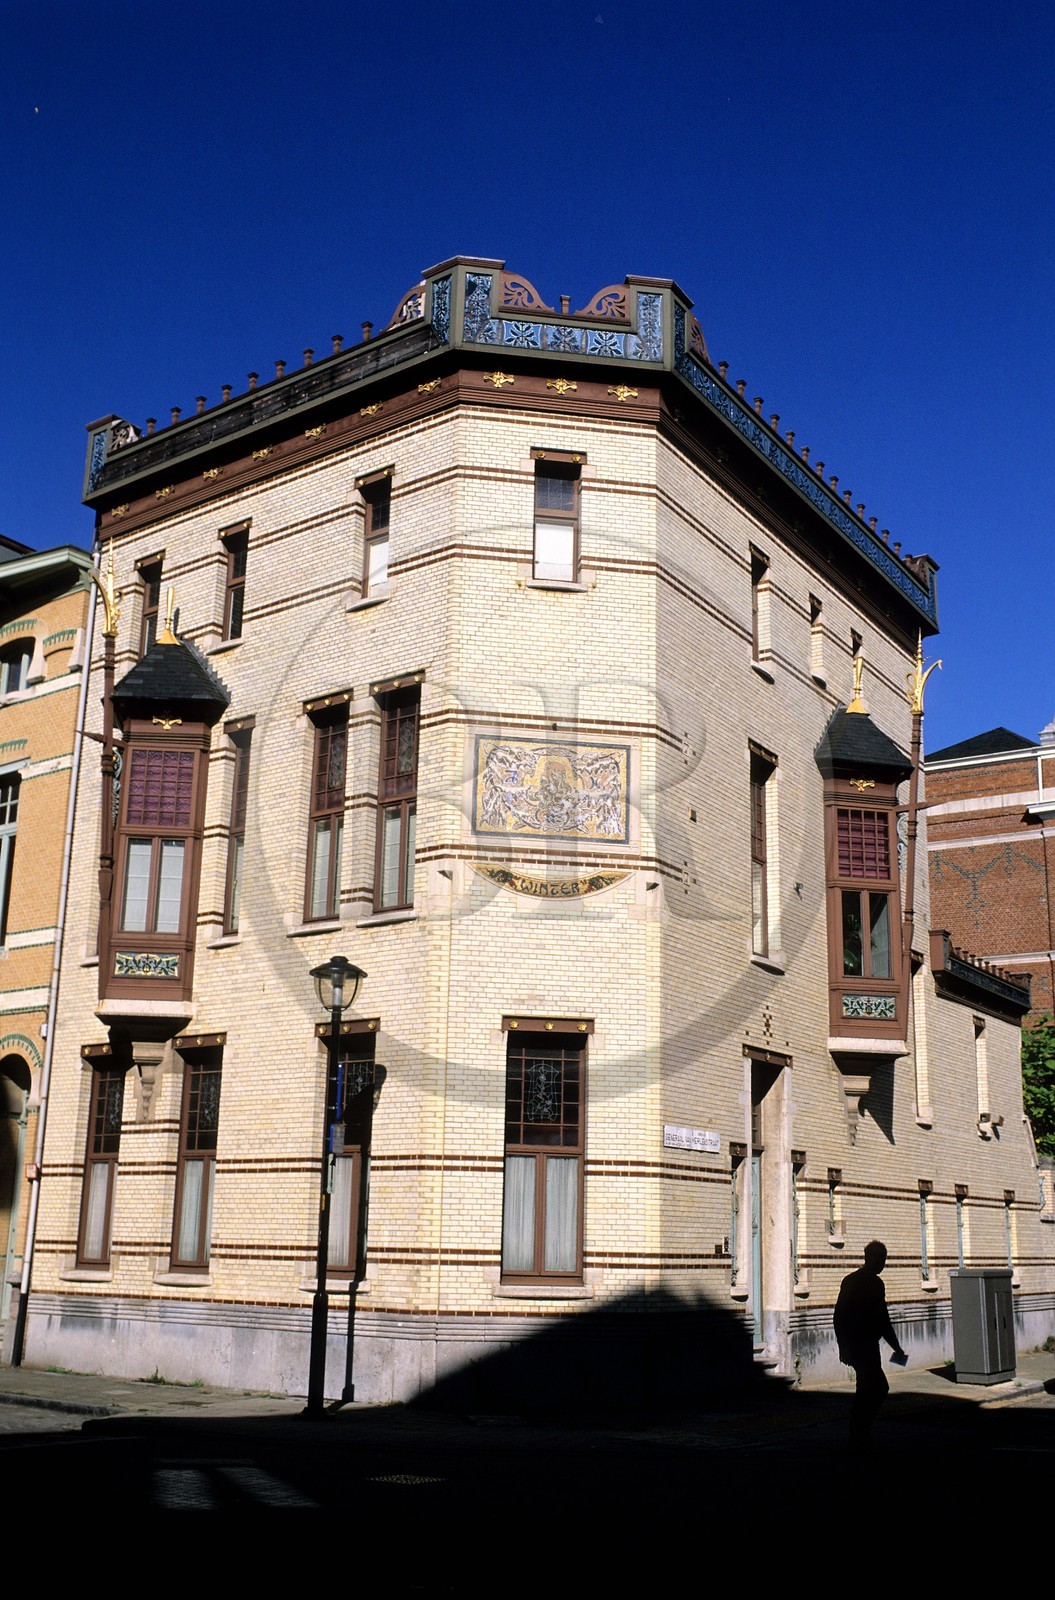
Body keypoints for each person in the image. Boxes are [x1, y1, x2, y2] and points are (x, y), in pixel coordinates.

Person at [833, 1239, 907, 1447]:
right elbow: (840, 1316)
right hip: (859, 1346)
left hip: (867, 1346)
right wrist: (843, 1346)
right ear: (869, 1259)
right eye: (879, 1260)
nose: (882, 1264)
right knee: (875, 1388)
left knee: (870, 1389)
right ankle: (859, 1433)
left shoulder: (874, 1283)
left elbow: (882, 1320)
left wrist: (896, 1347)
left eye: (883, 1260)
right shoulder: (855, 1282)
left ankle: (860, 1432)